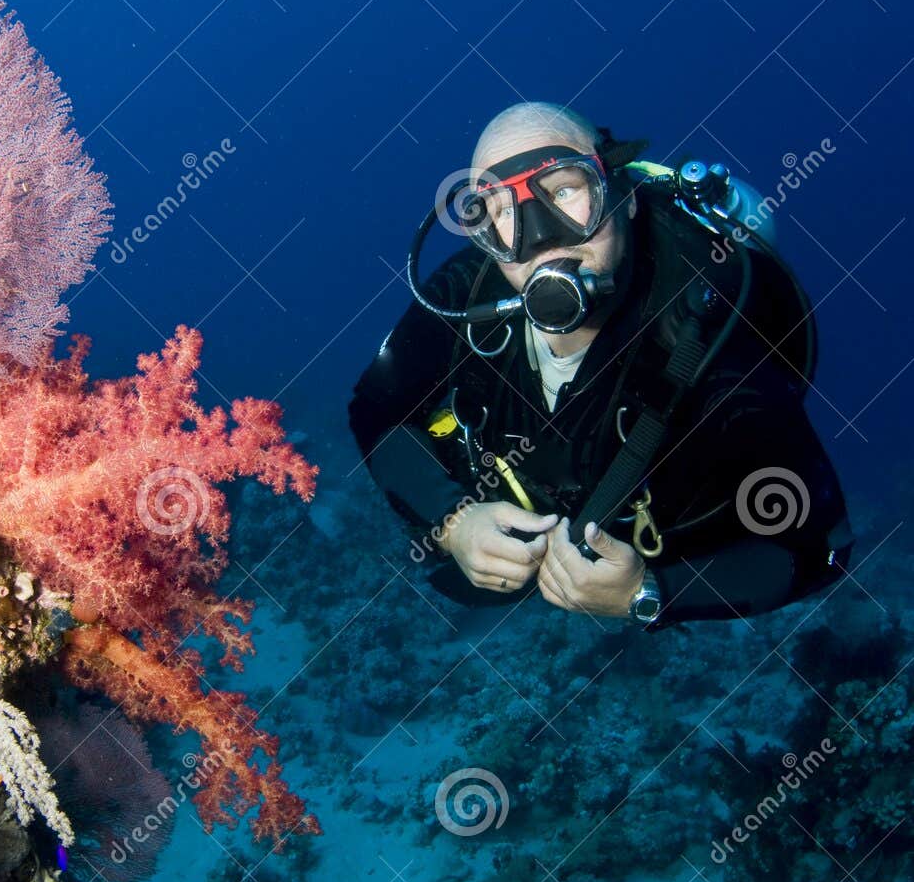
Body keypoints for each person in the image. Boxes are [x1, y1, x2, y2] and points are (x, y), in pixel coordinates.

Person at [349, 102, 852, 627]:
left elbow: (825, 546)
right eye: (501, 210)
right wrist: (453, 521)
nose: (540, 238)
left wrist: (649, 592)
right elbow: (374, 408)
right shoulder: (469, 290)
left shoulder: (707, 341)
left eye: (564, 190)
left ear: (624, 195)